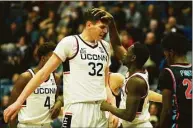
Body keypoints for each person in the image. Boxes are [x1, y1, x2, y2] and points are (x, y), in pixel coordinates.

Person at [4, 8, 117, 127]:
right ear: (89, 25)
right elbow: (43, 74)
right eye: (102, 27)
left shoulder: (105, 47)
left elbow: (105, 85)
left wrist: (113, 110)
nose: (105, 31)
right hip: (77, 108)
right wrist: (18, 102)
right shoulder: (70, 42)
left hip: (100, 109)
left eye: (106, 28)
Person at [92, 8, 154, 127]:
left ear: (133, 58)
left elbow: (129, 116)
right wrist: (112, 23)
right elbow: (116, 45)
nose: (124, 53)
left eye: (128, 52)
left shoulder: (136, 81)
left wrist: (108, 107)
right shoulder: (135, 68)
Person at [8, 43, 62, 128]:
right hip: (27, 125)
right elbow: (11, 108)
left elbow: (55, 99)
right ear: (43, 58)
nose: (56, 61)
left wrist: (58, 103)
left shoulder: (56, 78)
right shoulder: (26, 77)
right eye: (52, 58)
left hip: (47, 125)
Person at [158, 33, 192, 128]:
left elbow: (166, 110)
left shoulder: (168, 72)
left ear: (171, 52)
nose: (165, 56)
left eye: (165, 53)